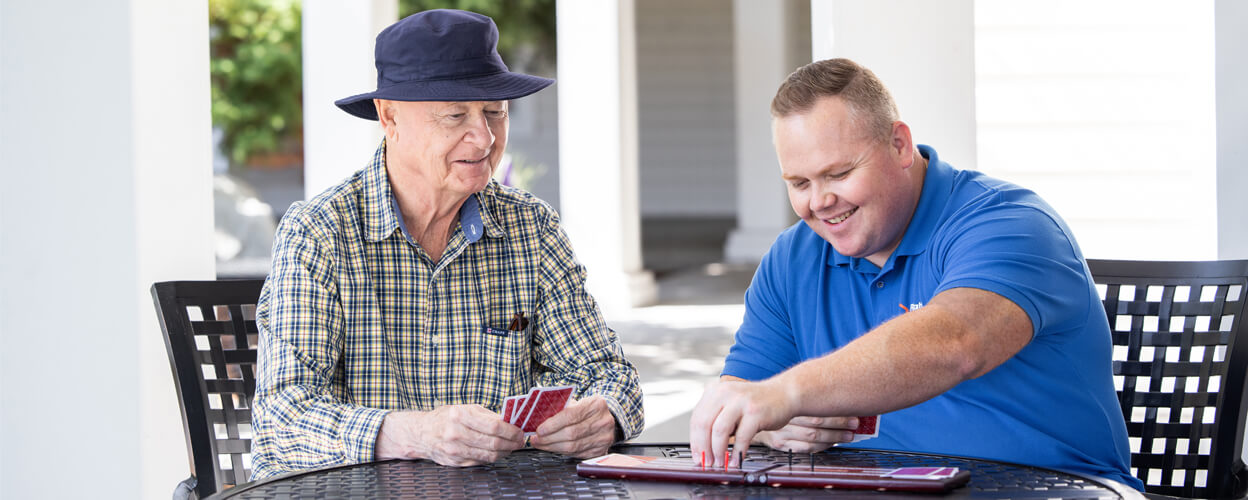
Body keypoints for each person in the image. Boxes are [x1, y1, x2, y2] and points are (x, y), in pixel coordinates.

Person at [688, 58, 1142, 490]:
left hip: (1053, 489)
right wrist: (772, 428)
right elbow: (741, 397)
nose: (819, 201)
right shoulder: (791, 259)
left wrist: (787, 393)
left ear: (900, 145)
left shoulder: (1011, 223)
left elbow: (954, 342)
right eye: (800, 184)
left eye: (839, 173)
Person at [250, 9, 644, 479]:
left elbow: (611, 376)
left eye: (495, 111)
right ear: (389, 117)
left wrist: (603, 415)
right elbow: (282, 421)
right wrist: (416, 435)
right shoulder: (319, 233)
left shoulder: (531, 229)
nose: (484, 136)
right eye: (456, 114)